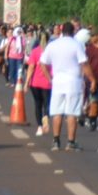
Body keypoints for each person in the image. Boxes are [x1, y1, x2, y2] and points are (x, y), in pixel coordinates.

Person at [39, 21, 90, 152]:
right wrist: (92, 79)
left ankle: (56, 141)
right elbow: (84, 63)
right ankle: (70, 142)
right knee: (71, 113)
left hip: (58, 82)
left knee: (57, 112)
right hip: (73, 82)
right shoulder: (76, 44)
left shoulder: (53, 45)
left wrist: (50, 79)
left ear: (61, 31)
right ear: (73, 31)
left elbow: (43, 63)